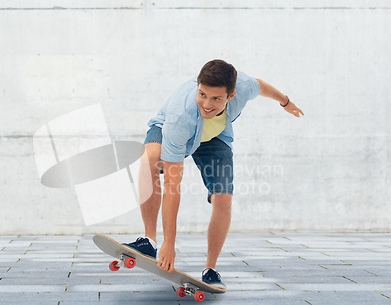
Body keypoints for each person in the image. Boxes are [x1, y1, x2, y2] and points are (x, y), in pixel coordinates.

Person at [123, 59, 304, 290]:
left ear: (231, 95)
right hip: (176, 131)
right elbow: (172, 185)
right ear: (197, 86)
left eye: (216, 98)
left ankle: (211, 269)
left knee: (223, 199)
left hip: (215, 137)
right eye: (202, 94)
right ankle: (149, 240)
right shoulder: (181, 117)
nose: (207, 104)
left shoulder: (244, 87)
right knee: (149, 159)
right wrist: (169, 242)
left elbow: (261, 86)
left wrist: (285, 102)